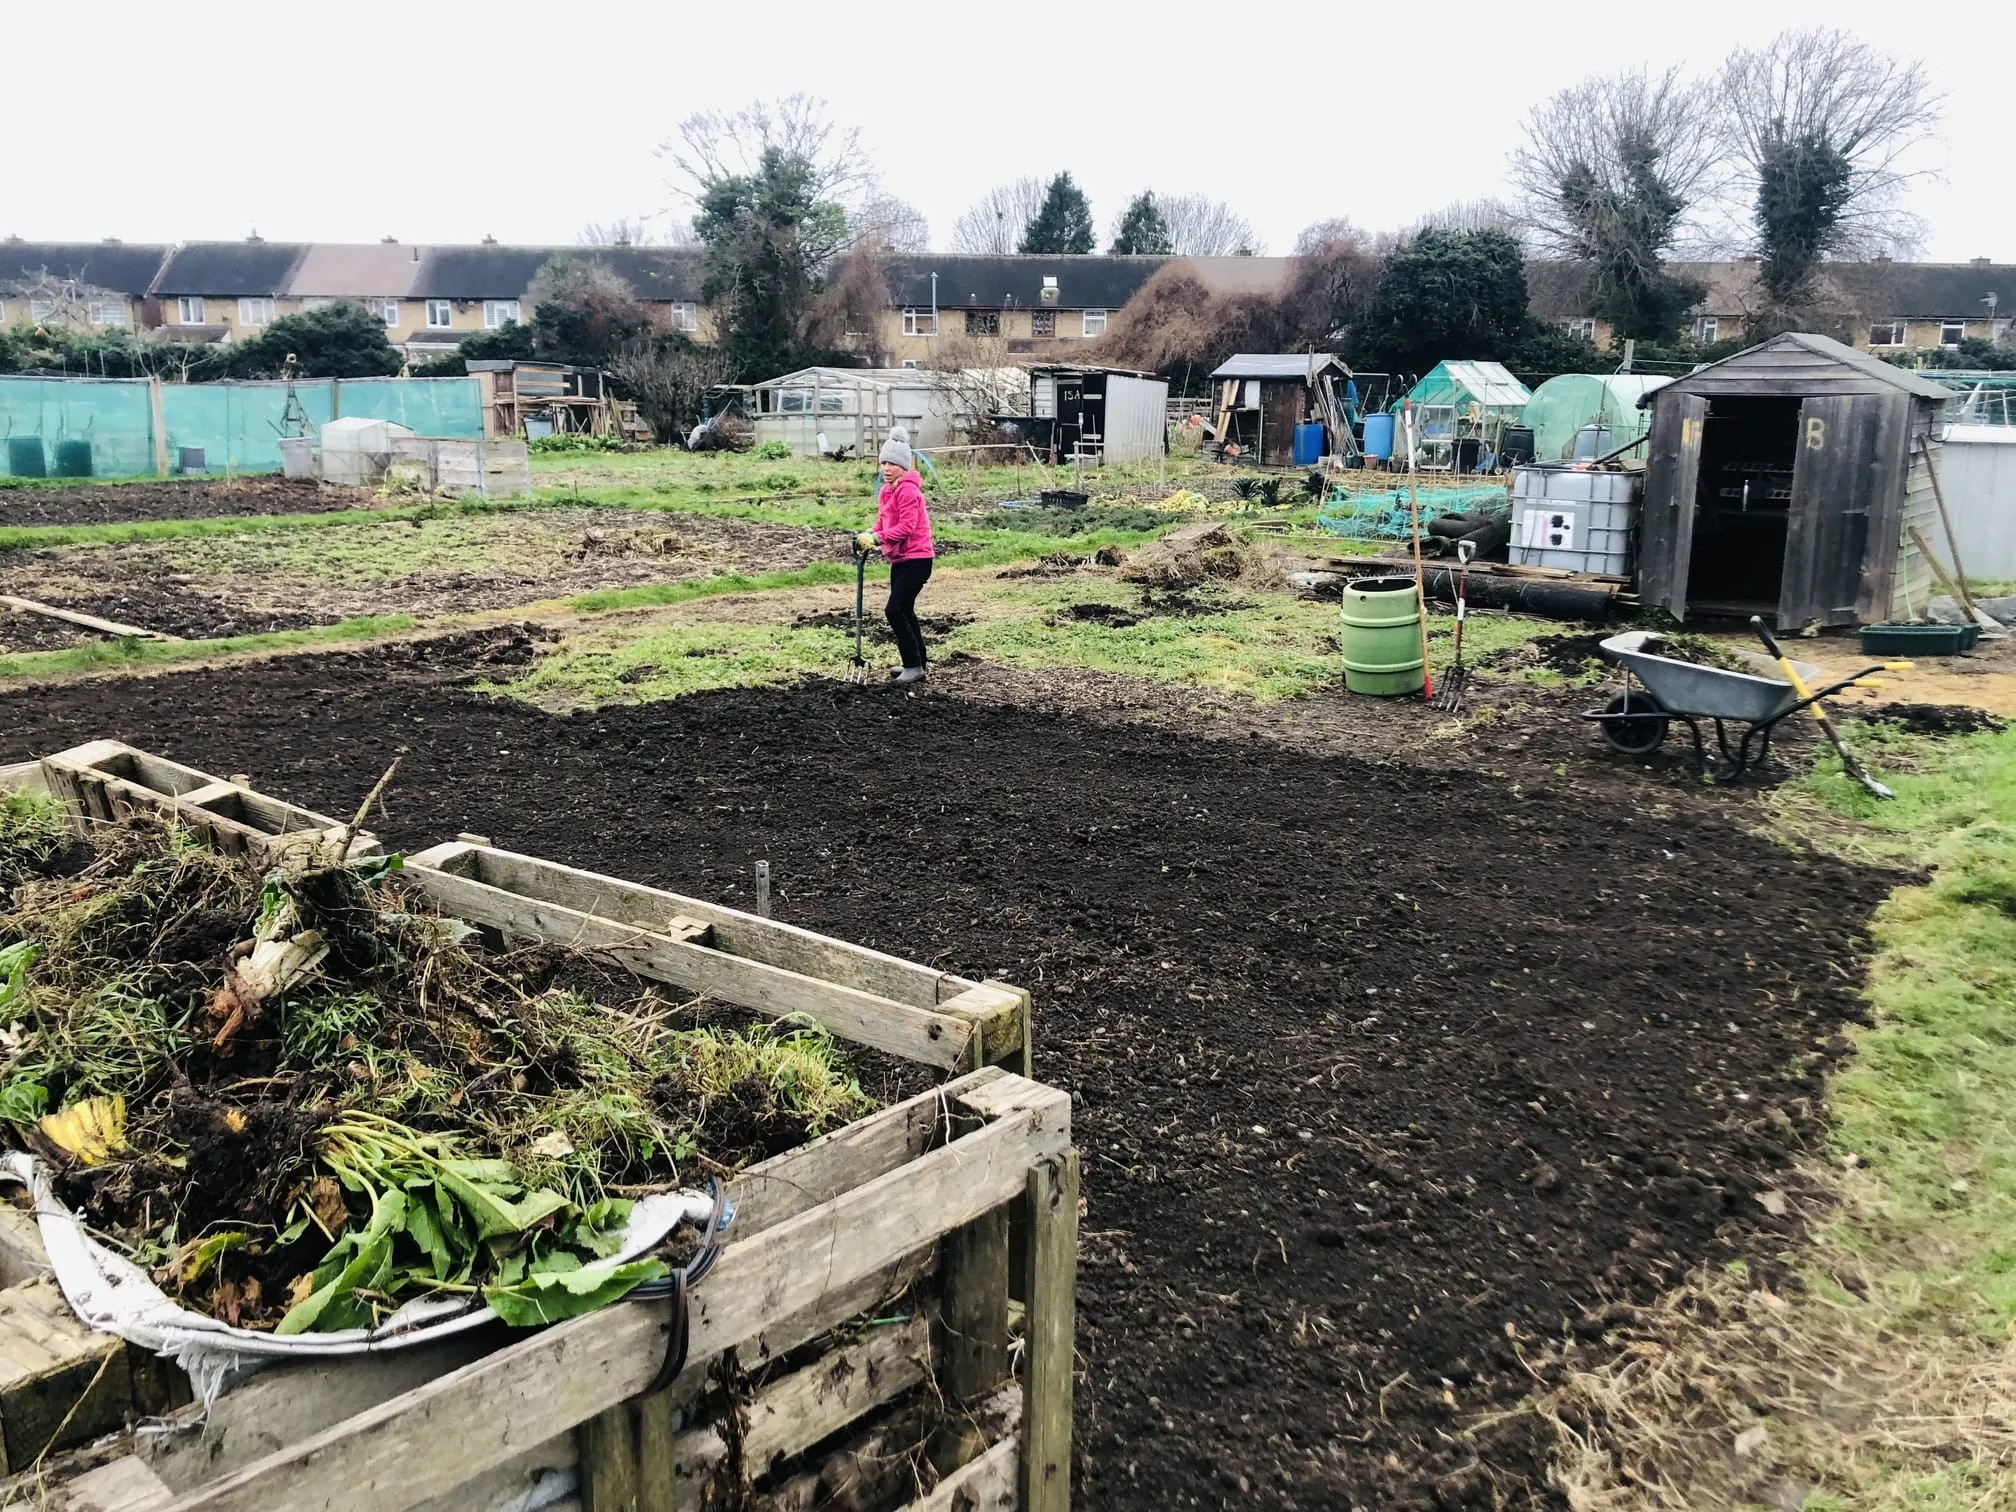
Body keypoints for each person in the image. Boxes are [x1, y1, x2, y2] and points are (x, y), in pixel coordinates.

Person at [857, 433, 936, 683]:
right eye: (884, 463)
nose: (887, 468)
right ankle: (917, 663)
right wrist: (869, 533)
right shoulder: (886, 491)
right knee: (905, 609)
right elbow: (883, 520)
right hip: (900, 559)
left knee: (895, 610)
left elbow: (907, 528)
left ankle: (913, 665)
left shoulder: (909, 492)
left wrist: (878, 539)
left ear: (904, 466)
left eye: (893, 464)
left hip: (917, 559)